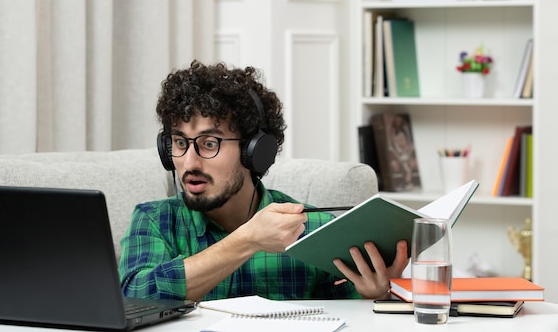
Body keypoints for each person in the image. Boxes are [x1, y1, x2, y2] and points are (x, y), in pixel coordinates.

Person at [118, 60, 408, 302]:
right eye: (180, 143)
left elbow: (346, 316)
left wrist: (374, 296)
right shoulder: (155, 221)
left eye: (209, 144)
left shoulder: (313, 231)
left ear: (255, 151)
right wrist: (248, 239)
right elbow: (133, 297)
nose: (190, 163)